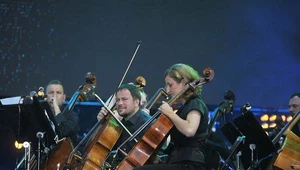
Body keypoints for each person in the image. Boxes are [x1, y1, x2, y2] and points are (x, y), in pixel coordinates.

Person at [133, 63, 209, 170]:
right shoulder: (183, 108)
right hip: (178, 162)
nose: (167, 90)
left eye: (170, 85)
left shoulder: (195, 103)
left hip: (190, 165)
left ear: (183, 83)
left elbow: (189, 130)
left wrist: (170, 114)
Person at [97, 83, 151, 165]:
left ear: (136, 102)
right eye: (118, 100)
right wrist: (102, 124)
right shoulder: (119, 124)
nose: (119, 103)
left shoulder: (147, 123)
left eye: (124, 99)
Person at [46, 79, 79, 145]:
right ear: (46, 97)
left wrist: (55, 106)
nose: (54, 96)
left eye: (58, 93)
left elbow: (63, 130)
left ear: (64, 98)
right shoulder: (41, 115)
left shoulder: (72, 116)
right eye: (51, 92)